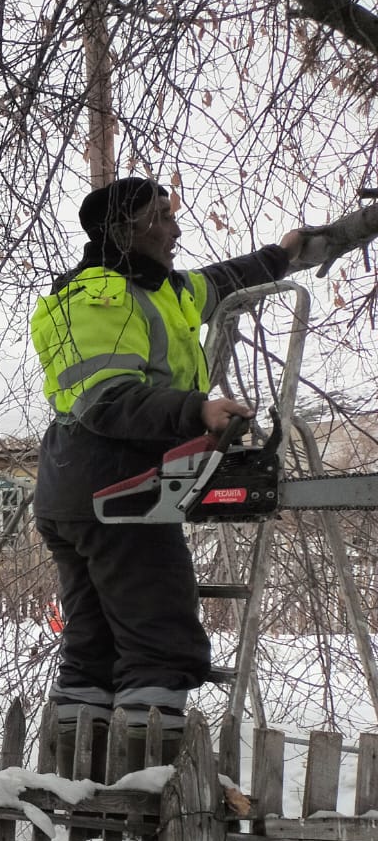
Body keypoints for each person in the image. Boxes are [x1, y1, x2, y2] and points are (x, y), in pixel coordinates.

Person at [30, 177, 305, 757]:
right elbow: (107, 399)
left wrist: (282, 255)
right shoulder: (101, 296)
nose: (176, 229)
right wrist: (198, 409)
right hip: (115, 487)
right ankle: (147, 785)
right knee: (158, 640)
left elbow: (221, 282)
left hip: (82, 487)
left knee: (94, 647)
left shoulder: (163, 290)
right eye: (161, 217)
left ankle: (81, 781)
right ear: (123, 228)